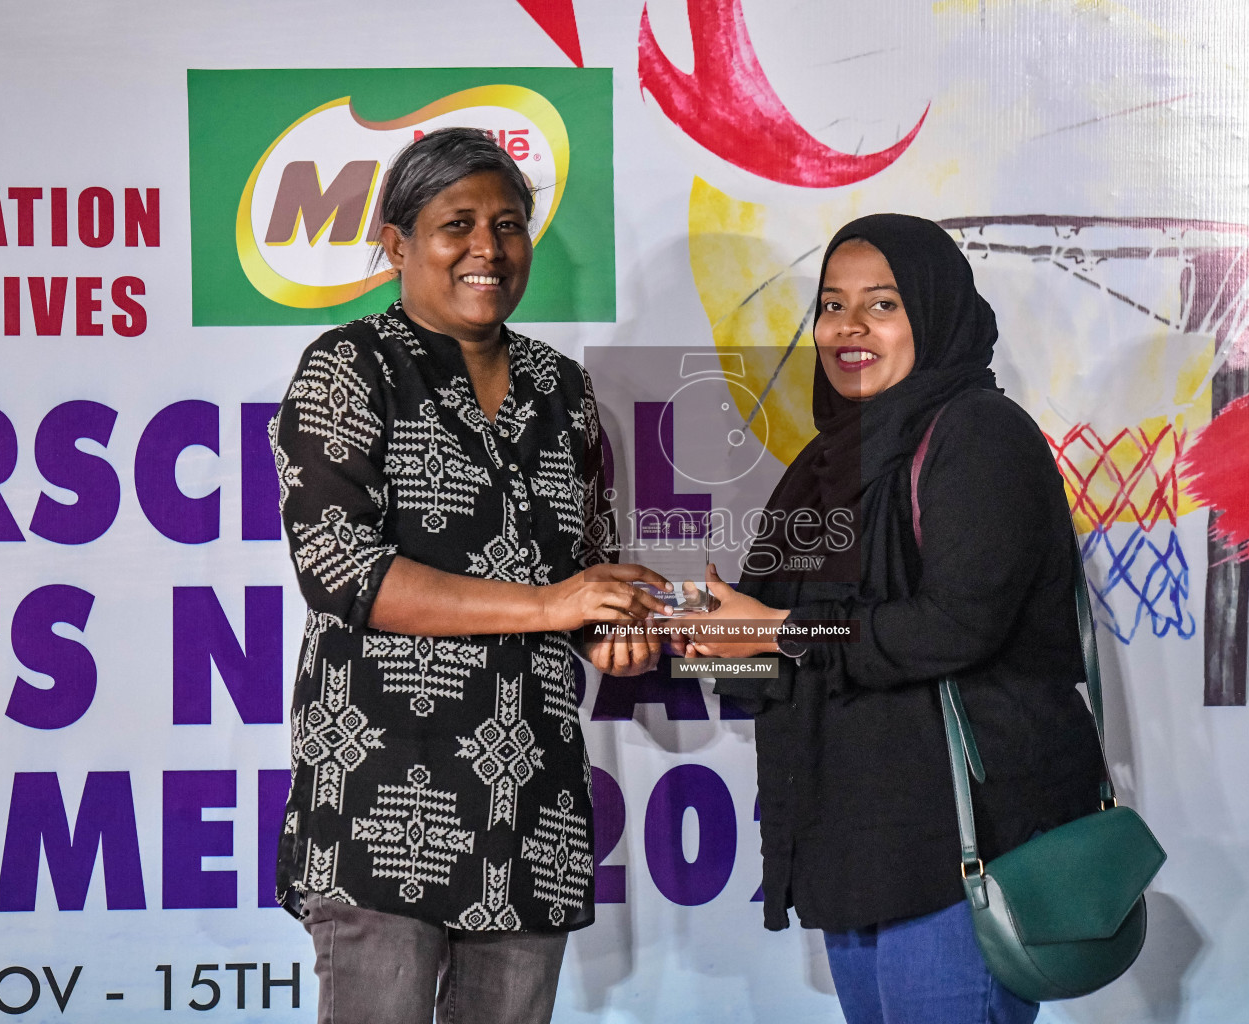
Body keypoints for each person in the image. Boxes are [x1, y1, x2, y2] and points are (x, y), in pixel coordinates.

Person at [268, 127, 669, 1024]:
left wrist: (616, 626)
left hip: (533, 806)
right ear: (397, 244)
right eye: (457, 224)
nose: (489, 247)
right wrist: (551, 602)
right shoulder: (349, 368)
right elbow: (345, 571)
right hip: (383, 806)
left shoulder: (562, 391)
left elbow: (580, 577)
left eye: (509, 223)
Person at [683, 214, 1107, 1024]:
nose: (849, 328)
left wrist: (777, 630)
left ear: (935, 312)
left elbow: (955, 625)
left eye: (882, 305)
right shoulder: (820, 467)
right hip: (858, 844)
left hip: (963, 848)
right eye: (833, 305)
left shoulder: (981, 436)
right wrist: (698, 636)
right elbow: (775, 656)